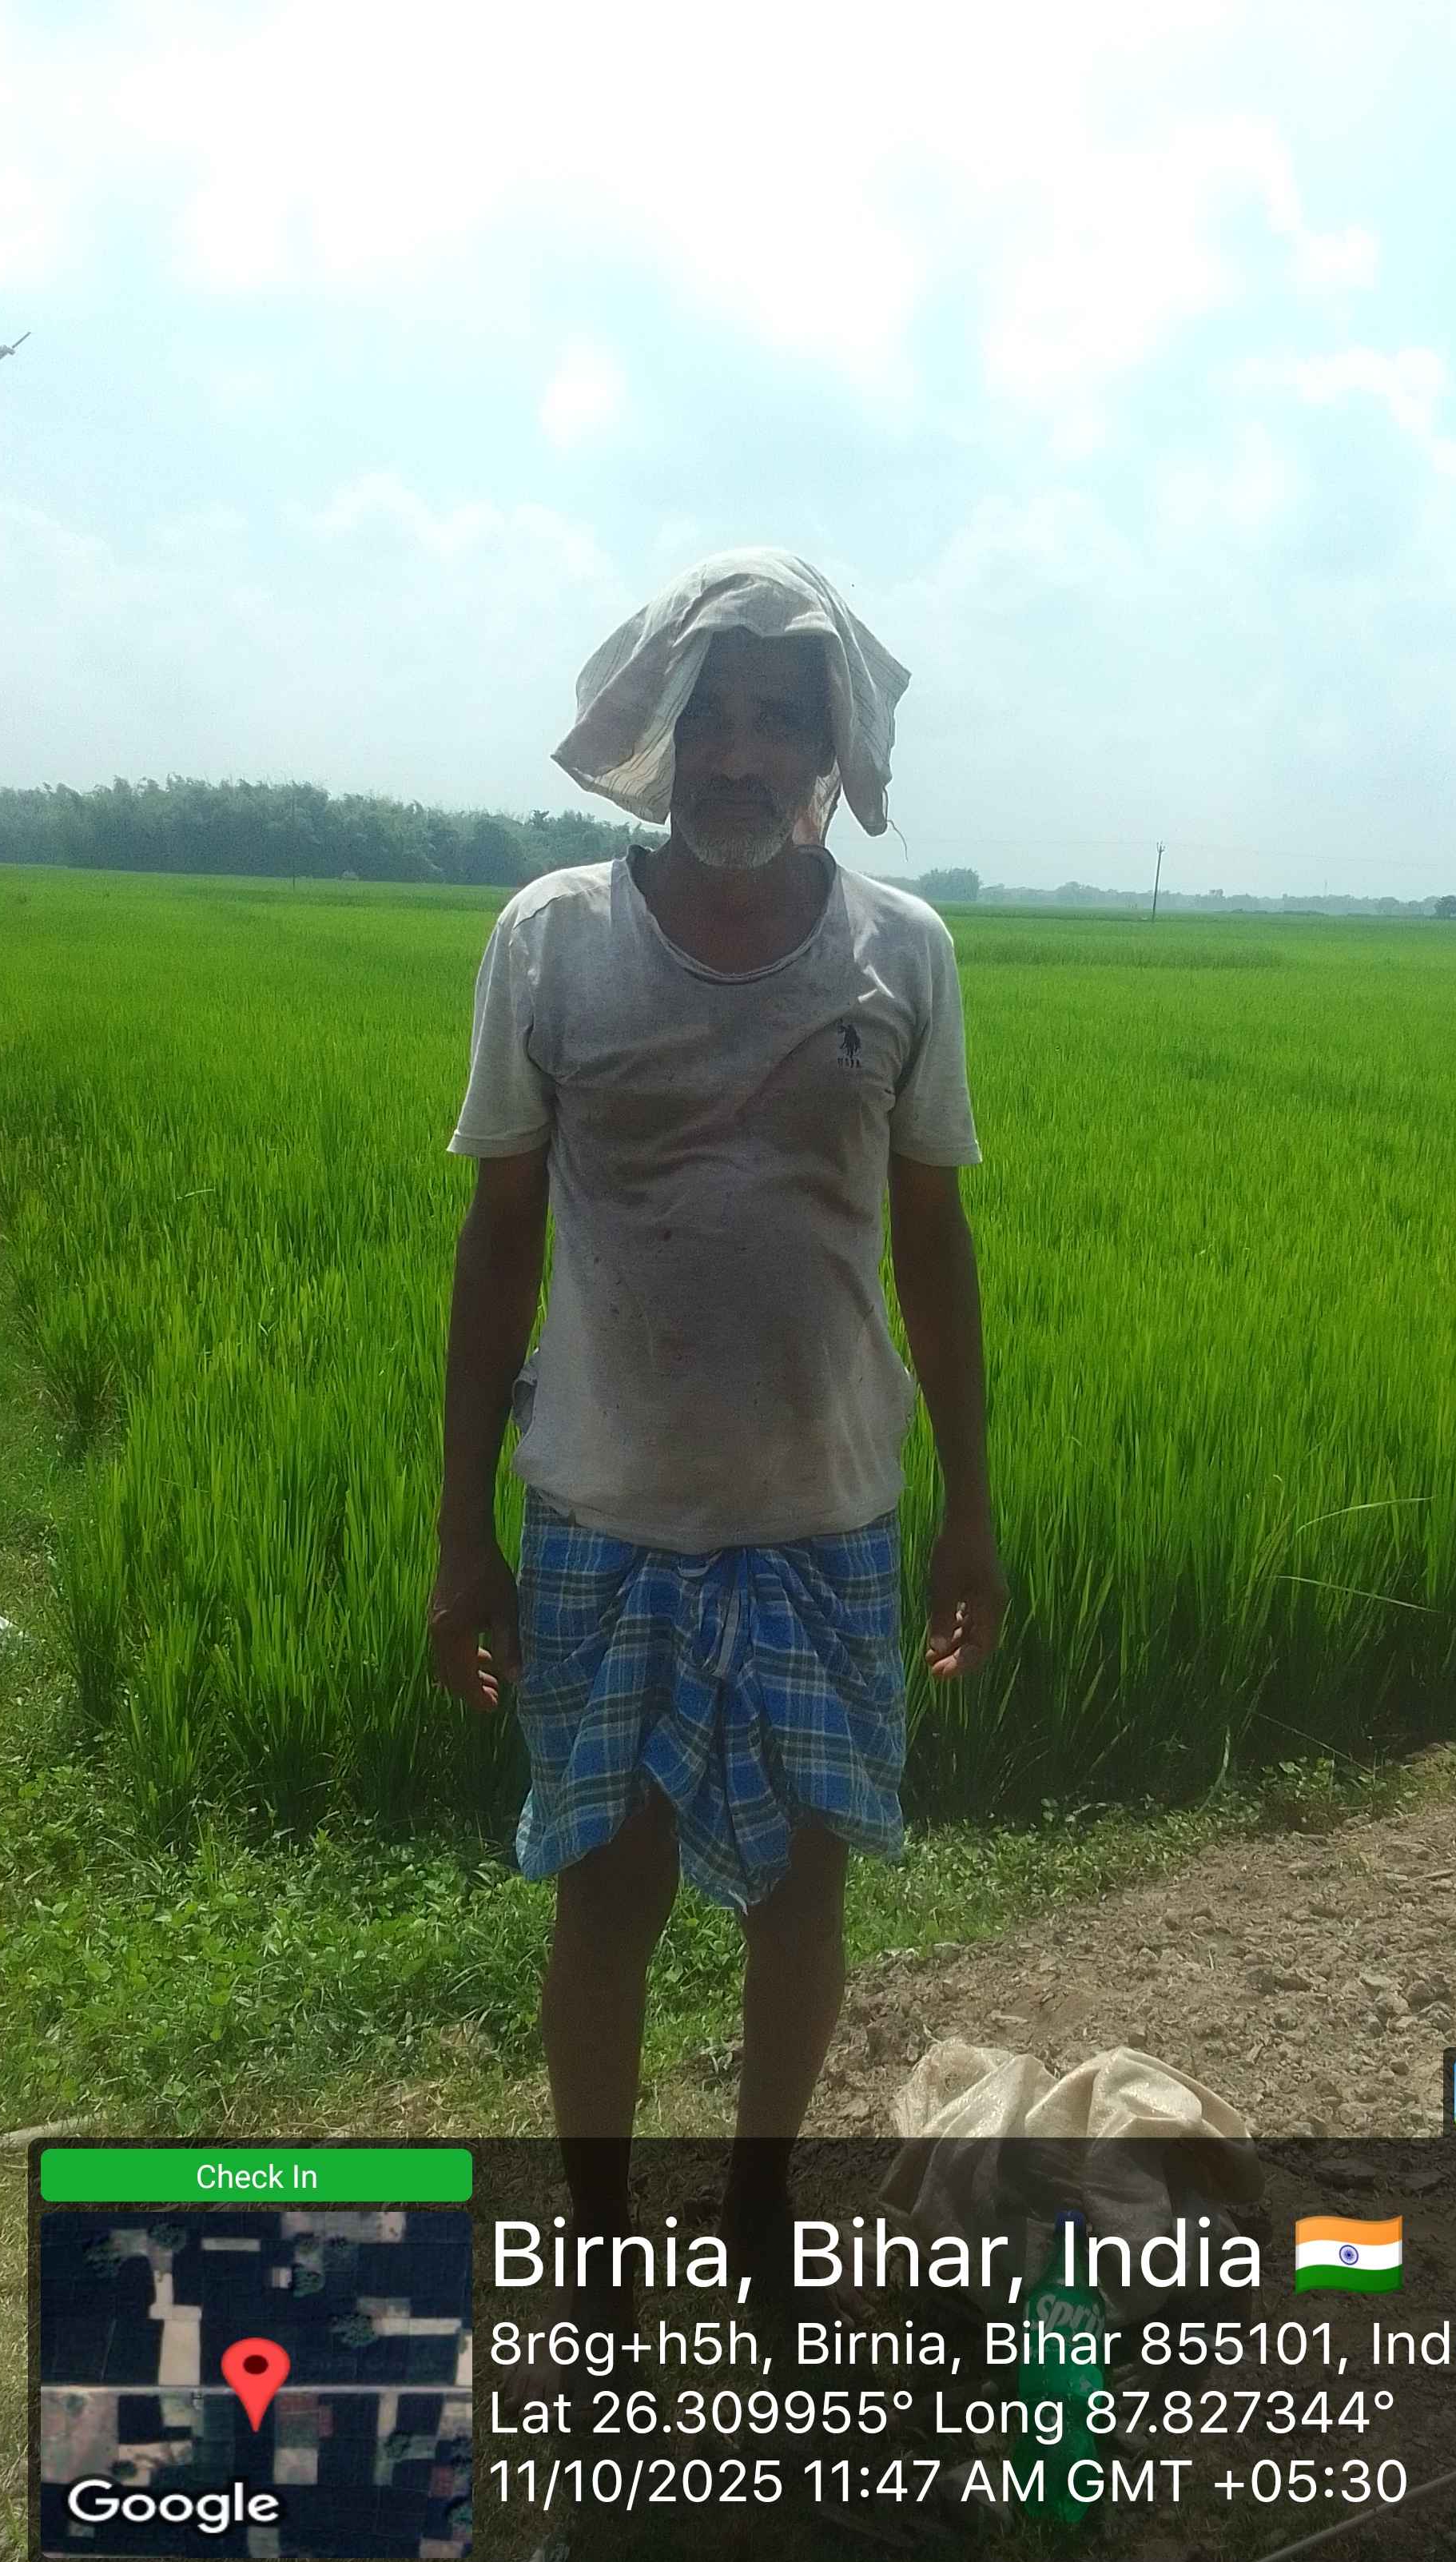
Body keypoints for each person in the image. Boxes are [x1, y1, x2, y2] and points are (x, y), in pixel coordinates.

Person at [428, 548, 1008, 2306]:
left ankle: (757, 2214)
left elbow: (933, 1242)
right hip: (602, 1513)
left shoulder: (902, 951)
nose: (742, 753)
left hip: (827, 1513)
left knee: (802, 1895)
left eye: (780, 719)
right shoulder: (553, 940)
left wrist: (970, 1511)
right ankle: (604, 2243)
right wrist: (461, 1536)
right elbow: (499, 1241)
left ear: (832, 751)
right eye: (712, 717)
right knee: (604, 1891)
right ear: (661, 737)